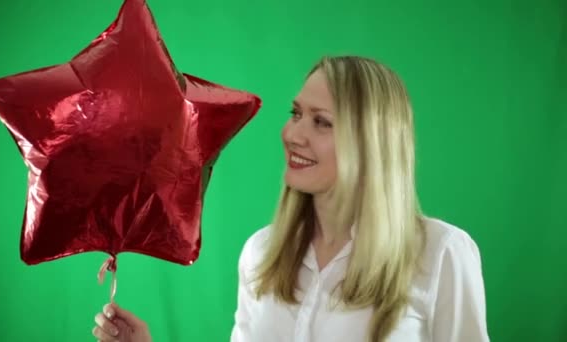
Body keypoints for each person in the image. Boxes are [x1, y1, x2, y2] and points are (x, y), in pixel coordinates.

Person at [92, 56, 490, 342]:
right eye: (296, 113)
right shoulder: (261, 253)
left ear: (372, 144)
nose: (292, 134)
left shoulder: (441, 254)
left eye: (321, 122)